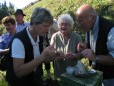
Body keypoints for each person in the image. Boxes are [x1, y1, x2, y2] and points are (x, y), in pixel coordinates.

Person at [6, 7, 64, 86]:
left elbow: (41, 60)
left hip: (35, 78)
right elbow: (19, 72)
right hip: (19, 82)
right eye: (45, 26)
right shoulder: (18, 41)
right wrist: (42, 57)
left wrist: (53, 56)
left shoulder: (40, 36)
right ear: (34, 23)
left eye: (49, 26)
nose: (48, 30)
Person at [76, 4, 114, 86]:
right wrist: (85, 46)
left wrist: (95, 57)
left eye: (81, 21)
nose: (78, 25)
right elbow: (91, 44)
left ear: (92, 18)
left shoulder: (110, 29)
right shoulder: (89, 26)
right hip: (98, 74)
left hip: (110, 78)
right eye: (77, 21)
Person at [50, 14, 82, 80]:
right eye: (61, 24)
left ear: (71, 26)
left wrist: (75, 56)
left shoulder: (77, 37)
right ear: (59, 25)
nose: (63, 26)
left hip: (73, 72)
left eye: (66, 24)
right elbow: (50, 53)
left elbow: (81, 54)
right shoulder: (55, 36)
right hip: (59, 72)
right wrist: (56, 54)